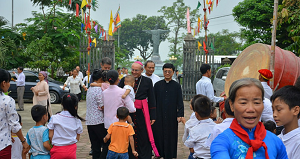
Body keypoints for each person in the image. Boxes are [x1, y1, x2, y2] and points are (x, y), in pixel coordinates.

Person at [210, 78, 288, 159]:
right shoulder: (222, 142)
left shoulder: (276, 142)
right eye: (243, 103)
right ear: (231, 105)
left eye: (256, 103)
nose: (251, 109)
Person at [118, 61, 156, 159]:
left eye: (136, 70)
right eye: (133, 70)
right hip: (127, 112)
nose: (134, 72)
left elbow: (152, 99)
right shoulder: (124, 80)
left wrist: (153, 115)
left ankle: (143, 155)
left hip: (142, 112)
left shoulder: (147, 81)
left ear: (142, 70)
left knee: (143, 134)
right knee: (127, 134)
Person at [152, 63, 184, 159]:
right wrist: (153, 115)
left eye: (169, 71)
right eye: (165, 71)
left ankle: (170, 154)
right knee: (159, 134)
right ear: (163, 72)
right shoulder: (157, 85)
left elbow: (180, 101)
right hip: (159, 114)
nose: (167, 73)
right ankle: (159, 153)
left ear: (173, 72)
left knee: (171, 134)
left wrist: (180, 114)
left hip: (171, 114)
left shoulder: (177, 86)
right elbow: (153, 101)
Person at [102, 70, 136, 157]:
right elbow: (132, 109)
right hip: (121, 124)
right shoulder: (122, 92)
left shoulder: (104, 93)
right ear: (118, 79)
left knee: (108, 148)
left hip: (108, 124)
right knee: (122, 148)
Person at [0, 69, 29, 158]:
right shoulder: (7, 101)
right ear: (4, 83)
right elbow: (14, 125)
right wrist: (23, 141)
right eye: (8, 82)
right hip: (3, 145)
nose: (9, 85)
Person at [48, 93, 84, 159]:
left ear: (62, 104)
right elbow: (77, 138)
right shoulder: (77, 120)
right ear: (75, 106)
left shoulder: (54, 118)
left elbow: (50, 136)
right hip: (71, 150)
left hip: (57, 150)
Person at [271, 85, 300, 159]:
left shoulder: (298, 142)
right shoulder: (277, 138)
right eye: (273, 110)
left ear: (295, 110)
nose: (274, 115)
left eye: (279, 110)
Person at [86, 69, 107, 159]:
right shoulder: (98, 90)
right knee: (106, 143)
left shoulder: (90, 89)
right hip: (98, 120)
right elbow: (102, 105)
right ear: (100, 79)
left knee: (95, 146)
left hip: (90, 121)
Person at [182, 95, 203, 159]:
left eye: (191, 104)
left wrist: (184, 122)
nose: (189, 105)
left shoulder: (194, 116)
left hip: (194, 152)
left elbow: (186, 138)